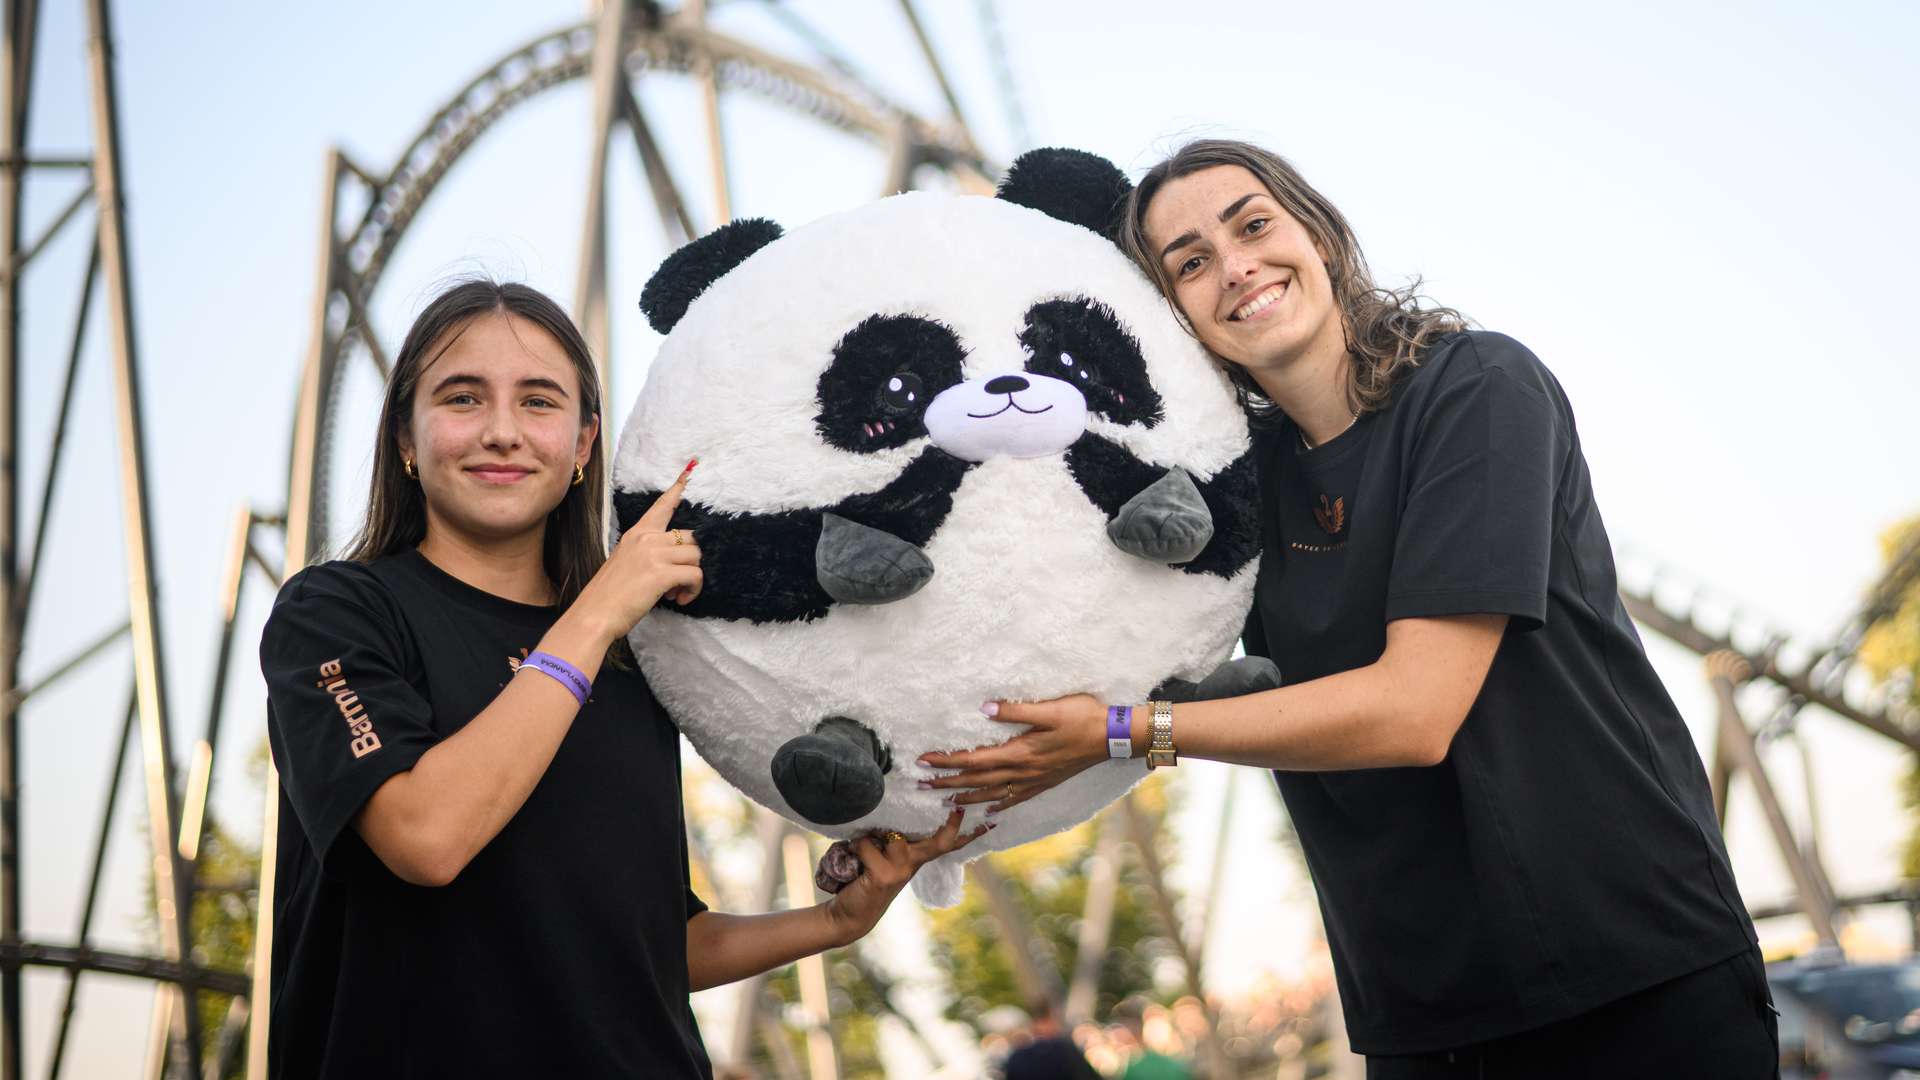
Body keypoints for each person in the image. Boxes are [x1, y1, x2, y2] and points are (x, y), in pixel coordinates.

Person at [918, 141, 1779, 1077]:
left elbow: (1416, 712)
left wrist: (1126, 731)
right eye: (1191, 263)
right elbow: (1072, 620)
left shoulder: (1476, 386)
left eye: (1253, 226)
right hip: (1421, 1007)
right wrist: (903, 810)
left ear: (1318, 235)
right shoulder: (1239, 487)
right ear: (1173, 317)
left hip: (1631, 968)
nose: (1236, 265)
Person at [260, 279, 984, 1078]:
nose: (502, 432)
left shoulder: (636, 660)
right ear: (405, 435)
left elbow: (657, 945)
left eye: (539, 402)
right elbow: (426, 838)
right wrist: (600, 611)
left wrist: (832, 921)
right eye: (462, 398)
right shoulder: (335, 613)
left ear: (582, 445)